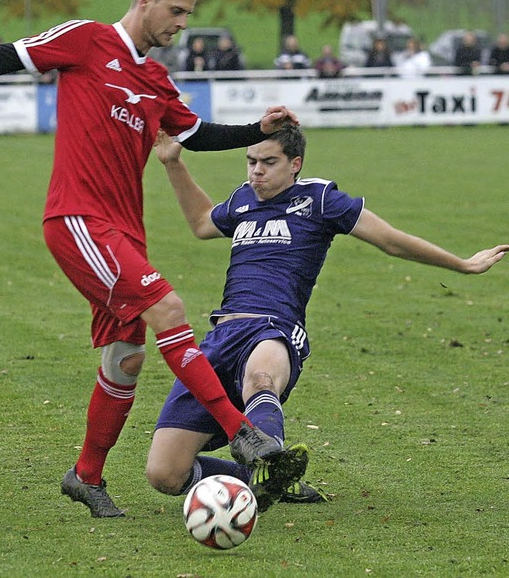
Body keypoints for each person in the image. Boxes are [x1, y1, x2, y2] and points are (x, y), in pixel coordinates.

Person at [0, 0, 299, 519]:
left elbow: (197, 135)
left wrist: (256, 130)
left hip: (124, 231)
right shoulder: (87, 40)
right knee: (167, 306)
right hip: (77, 218)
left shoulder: (156, 81)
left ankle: (86, 475)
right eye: (177, 11)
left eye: (188, 14)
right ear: (146, 0)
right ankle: (243, 434)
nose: (183, 24)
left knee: (126, 358)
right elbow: (1, 55)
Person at [147, 125, 508, 513]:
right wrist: (173, 164)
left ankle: (270, 462)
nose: (256, 171)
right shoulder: (242, 201)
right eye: (251, 161)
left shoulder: (319, 199)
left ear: (295, 164)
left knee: (260, 379)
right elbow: (202, 222)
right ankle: (272, 478)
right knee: (165, 474)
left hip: (274, 327)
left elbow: (389, 239)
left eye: (269, 162)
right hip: (221, 336)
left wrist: (462, 265)